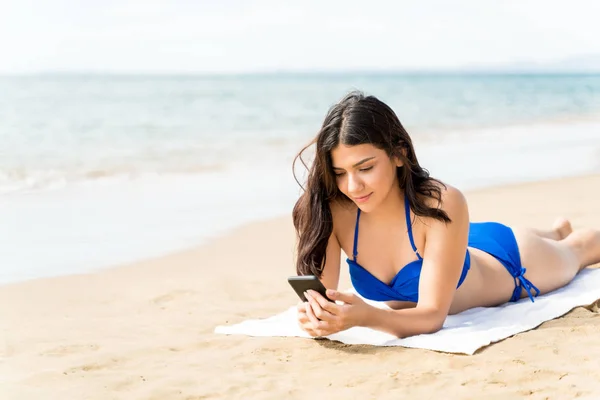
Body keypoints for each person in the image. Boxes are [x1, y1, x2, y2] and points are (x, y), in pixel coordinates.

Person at [291, 90, 600, 339]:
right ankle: (556, 230)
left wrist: (366, 317)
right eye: (339, 172)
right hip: (452, 244)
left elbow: (432, 316)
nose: (352, 186)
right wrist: (316, 315)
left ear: (398, 154)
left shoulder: (441, 203)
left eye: (366, 167)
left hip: (511, 261)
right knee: (554, 236)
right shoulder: (334, 209)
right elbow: (322, 296)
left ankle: (559, 234)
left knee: (579, 250)